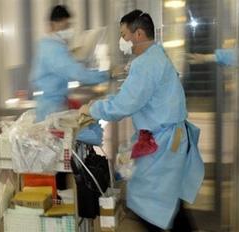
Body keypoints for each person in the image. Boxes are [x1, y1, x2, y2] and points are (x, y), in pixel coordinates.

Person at [79, 10, 204, 231]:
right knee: (168, 200)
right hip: (169, 139)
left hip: (164, 145)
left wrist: (93, 108)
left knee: (150, 201)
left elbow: (123, 105)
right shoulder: (156, 55)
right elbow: (131, 96)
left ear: (138, 34)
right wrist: (103, 103)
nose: (122, 41)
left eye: (123, 34)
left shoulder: (145, 64)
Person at [30, 5, 109, 122]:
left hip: (52, 105)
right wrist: (107, 74)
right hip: (51, 109)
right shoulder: (53, 49)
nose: (69, 30)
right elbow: (77, 73)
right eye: (65, 26)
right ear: (53, 24)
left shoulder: (49, 45)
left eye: (69, 26)